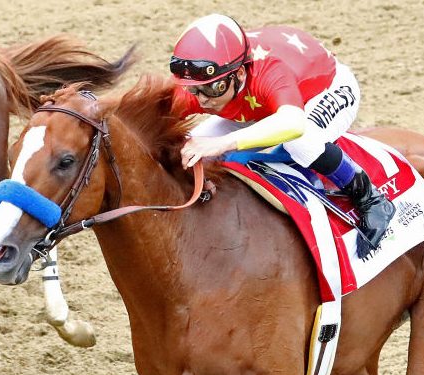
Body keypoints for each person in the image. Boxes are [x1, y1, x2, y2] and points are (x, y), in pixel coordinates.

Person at [168, 13, 394, 251]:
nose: (202, 100)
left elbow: (293, 124)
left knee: (299, 142)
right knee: (193, 146)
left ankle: (371, 199)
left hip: (324, 91)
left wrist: (223, 143)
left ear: (240, 74)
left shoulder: (269, 70)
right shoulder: (205, 83)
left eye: (214, 88)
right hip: (263, 103)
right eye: (194, 90)